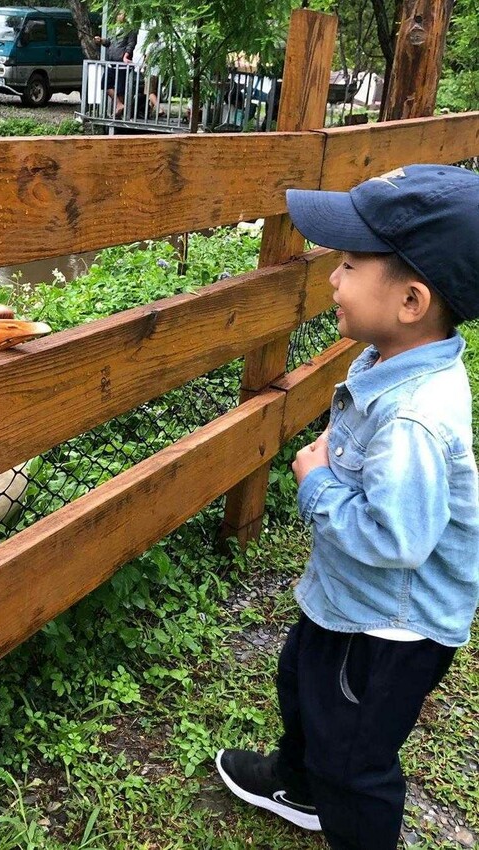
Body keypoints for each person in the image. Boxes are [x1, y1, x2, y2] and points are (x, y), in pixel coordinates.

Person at [216, 164, 479, 850]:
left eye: (352, 263)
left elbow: (397, 541)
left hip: (390, 630)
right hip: (350, 599)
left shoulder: (416, 419)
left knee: (354, 757)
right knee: (301, 680)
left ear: (411, 300)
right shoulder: (391, 357)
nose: (333, 276)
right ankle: (300, 788)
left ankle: (342, 809)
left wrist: (316, 483)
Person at [94, 10, 138, 117]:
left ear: (126, 16)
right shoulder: (114, 28)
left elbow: (131, 44)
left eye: (121, 14)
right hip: (111, 63)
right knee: (104, 83)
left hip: (121, 65)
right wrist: (101, 41)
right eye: (118, 14)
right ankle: (119, 105)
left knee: (120, 89)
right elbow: (109, 42)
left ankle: (118, 112)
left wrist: (126, 55)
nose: (119, 16)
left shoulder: (130, 29)